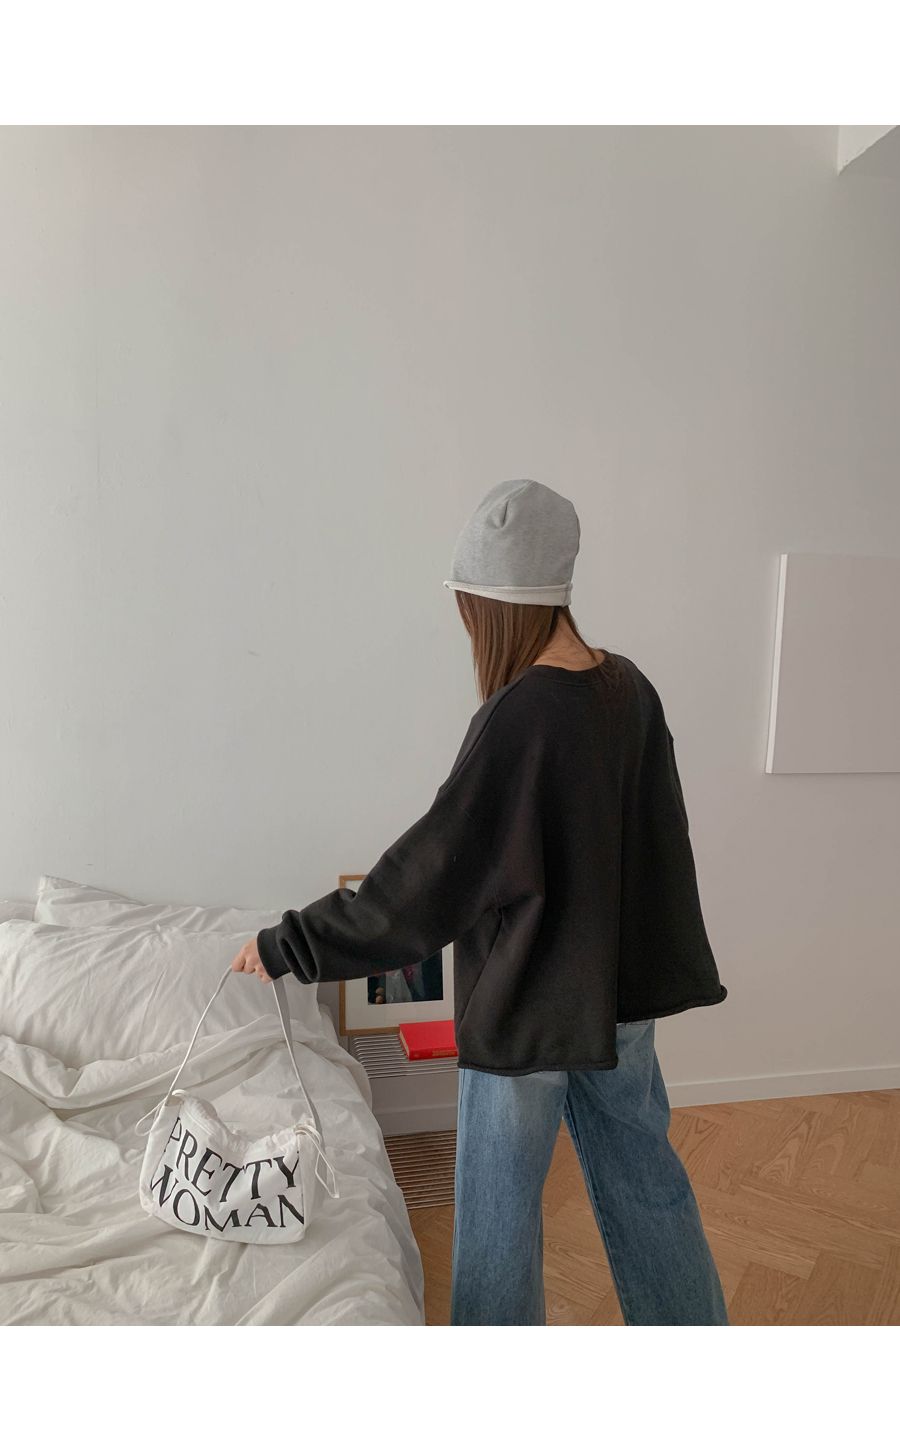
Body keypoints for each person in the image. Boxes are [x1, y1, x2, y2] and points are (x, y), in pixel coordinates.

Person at [231, 478, 729, 1327]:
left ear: (492, 606)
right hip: (618, 1008)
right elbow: (662, 851)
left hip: (525, 1019)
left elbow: (424, 881)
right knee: (651, 1191)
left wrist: (291, 943)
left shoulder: (518, 718)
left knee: (499, 1231)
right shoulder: (632, 690)